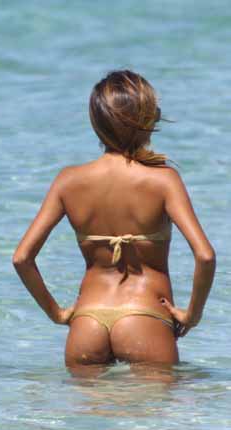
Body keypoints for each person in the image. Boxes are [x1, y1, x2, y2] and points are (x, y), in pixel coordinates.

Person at [13, 70, 215, 370]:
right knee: (169, 401)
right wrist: (192, 315)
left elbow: (22, 258)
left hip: (87, 321)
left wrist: (56, 313)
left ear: (97, 123)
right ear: (146, 121)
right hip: (144, 318)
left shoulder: (68, 180)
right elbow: (205, 255)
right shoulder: (163, 180)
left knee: (88, 404)